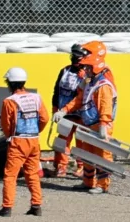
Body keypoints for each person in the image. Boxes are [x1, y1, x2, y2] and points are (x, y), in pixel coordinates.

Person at [53, 41, 117, 194]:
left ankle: (102, 185)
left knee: (102, 155)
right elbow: (79, 99)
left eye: (87, 66)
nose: (84, 69)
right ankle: (88, 182)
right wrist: (64, 110)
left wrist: (103, 124)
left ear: (95, 65)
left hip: (101, 124)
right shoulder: (89, 80)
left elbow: (105, 105)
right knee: (87, 154)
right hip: (89, 123)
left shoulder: (103, 83)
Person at [0, 67, 48, 217]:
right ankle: (36, 206)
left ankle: (7, 208)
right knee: (32, 174)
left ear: (10, 83)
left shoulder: (9, 101)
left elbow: (6, 124)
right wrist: (36, 131)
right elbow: (44, 118)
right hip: (34, 140)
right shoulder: (36, 97)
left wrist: (9, 136)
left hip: (18, 141)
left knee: (10, 176)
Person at [46, 43, 86, 178]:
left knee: (81, 141)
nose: (76, 58)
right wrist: (55, 109)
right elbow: (56, 91)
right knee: (61, 141)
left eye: (78, 56)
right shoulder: (64, 71)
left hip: (81, 114)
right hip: (64, 113)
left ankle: (82, 167)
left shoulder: (87, 73)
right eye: (74, 55)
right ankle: (61, 167)